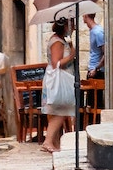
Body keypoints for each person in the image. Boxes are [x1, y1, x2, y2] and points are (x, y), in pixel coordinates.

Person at [41, 15, 77, 153]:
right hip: (59, 80)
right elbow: (57, 63)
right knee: (61, 110)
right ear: (66, 26)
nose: (73, 27)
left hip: (62, 79)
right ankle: (48, 141)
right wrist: (72, 55)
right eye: (71, 24)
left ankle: (54, 144)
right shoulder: (57, 42)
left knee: (59, 110)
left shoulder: (62, 40)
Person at [85, 8, 104, 80]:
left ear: (85, 15)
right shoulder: (93, 31)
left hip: (97, 71)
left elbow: (105, 53)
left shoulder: (98, 32)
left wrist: (96, 69)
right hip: (92, 69)